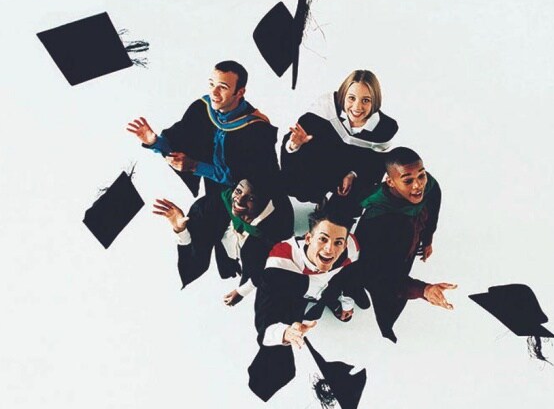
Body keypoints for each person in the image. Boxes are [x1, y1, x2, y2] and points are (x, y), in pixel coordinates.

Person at [248, 207, 361, 401]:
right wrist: (284, 333)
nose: (329, 249)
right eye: (323, 239)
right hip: (293, 295)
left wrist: (346, 300)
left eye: (338, 243)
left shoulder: (351, 248)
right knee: (277, 355)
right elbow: (265, 313)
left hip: (325, 289)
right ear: (308, 238)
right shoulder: (281, 261)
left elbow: (348, 275)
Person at [127, 60, 280, 196]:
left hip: (251, 197)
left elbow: (246, 177)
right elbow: (179, 142)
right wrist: (155, 141)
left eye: (223, 87)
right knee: (199, 220)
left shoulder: (257, 129)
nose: (214, 93)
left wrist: (194, 166)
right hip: (213, 186)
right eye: (212, 84)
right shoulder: (201, 108)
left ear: (239, 92)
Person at [354, 147, 457, 342]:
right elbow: (380, 275)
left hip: (407, 247)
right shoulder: (379, 219)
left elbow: (432, 214)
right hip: (377, 254)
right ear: (390, 182)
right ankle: (353, 290)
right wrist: (423, 290)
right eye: (408, 180)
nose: (418, 186)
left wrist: (427, 239)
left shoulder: (431, 186)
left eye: (421, 175)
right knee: (373, 283)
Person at [152, 178, 293, 306]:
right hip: (227, 245)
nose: (239, 200)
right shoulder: (217, 204)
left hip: (256, 249)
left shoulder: (276, 229)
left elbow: (264, 268)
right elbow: (196, 248)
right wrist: (180, 229)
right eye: (238, 191)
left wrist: (242, 291)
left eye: (251, 197)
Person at [280, 69, 398, 215]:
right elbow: (295, 143)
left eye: (366, 100)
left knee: (345, 209)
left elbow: (376, 164)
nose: (357, 107)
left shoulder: (384, 128)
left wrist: (354, 174)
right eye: (351, 98)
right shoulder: (325, 109)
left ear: (375, 101)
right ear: (343, 96)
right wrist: (294, 145)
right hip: (322, 165)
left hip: (351, 174)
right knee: (298, 177)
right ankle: (318, 198)